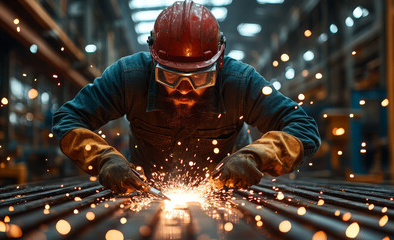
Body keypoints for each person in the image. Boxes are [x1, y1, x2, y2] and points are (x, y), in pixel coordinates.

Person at [52, 0, 320, 194]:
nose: (184, 89)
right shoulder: (128, 77)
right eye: (169, 77)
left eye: (200, 79)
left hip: (228, 193)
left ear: (220, 63)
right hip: (147, 193)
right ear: (153, 60)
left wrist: (256, 156)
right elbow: (68, 118)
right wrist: (103, 159)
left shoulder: (241, 82)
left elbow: (304, 129)